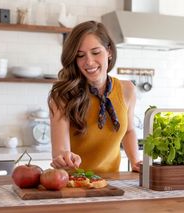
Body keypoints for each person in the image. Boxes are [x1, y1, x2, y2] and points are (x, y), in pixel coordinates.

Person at [48, 21, 141, 173]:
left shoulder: (127, 90)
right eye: (80, 55)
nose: (89, 62)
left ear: (109, 52)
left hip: (112, 184)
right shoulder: (62, 95)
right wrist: (63, 157)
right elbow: (60, 150)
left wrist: (135, 161)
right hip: (75, 184)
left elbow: (129, 130)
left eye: (96, 52)